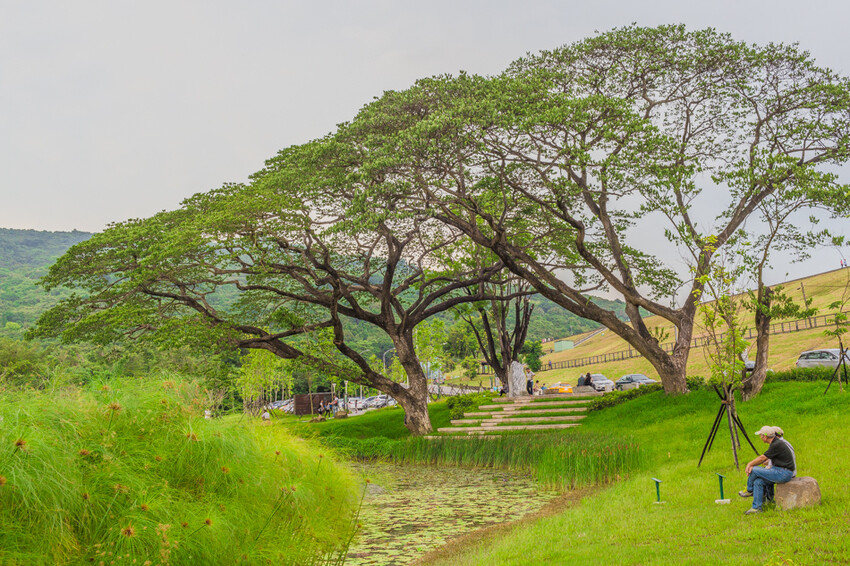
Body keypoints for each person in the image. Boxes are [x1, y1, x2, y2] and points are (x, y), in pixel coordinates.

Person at [739, 426, 796, 515]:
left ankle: (749, 490)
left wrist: (750, 464)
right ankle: (756, 508)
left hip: (784, 473)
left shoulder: (776, 444)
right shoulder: (776, 443)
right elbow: (767, 459)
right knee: (758, 481)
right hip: (779, 470)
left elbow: (762, 458)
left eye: (760, 436)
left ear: (765, 437)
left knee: (754, 470)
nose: (760, 438)